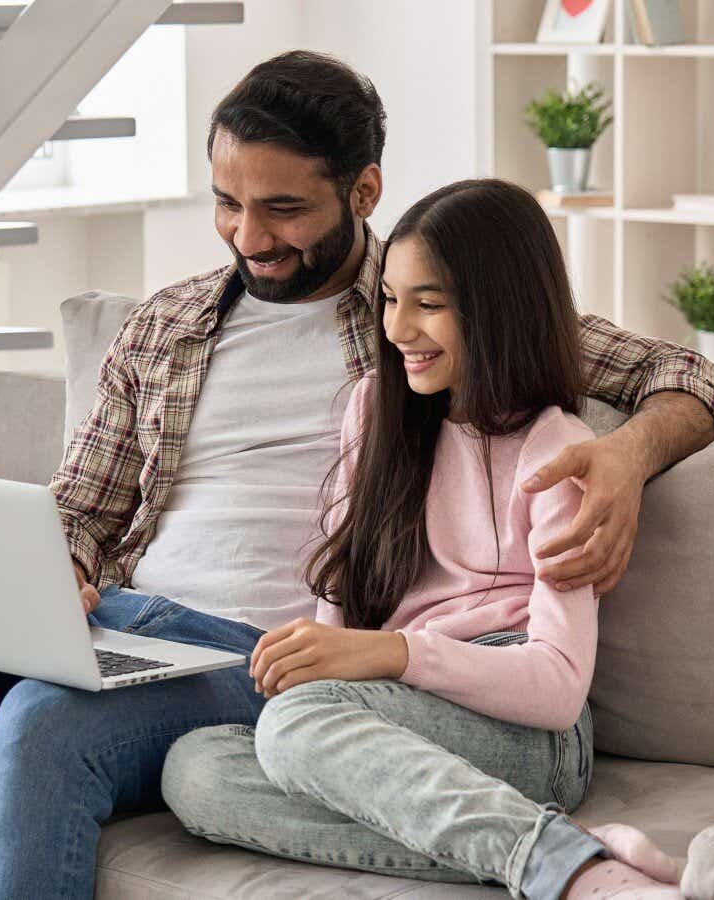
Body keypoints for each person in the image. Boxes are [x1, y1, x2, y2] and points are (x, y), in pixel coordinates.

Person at [0, 52, 714, 899]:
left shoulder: (431, 307)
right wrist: (56, 570)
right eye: (226, 202)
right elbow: (79, 508)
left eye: (283, 208)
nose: (250, 236)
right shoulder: (165, 327)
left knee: (44, 732)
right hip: (121, 624)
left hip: (262, 660)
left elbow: (689, 376)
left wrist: (623, 458)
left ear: (362, 191)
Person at [160, 178, 684, 899]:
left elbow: (559, 689)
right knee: (196, 768)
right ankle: (565, 853)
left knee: (294, 729)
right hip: (396, 705)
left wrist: (388, 655)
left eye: (428, 305)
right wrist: (329, 663)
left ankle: (567, 874)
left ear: (500, 310)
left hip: (528, 729)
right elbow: (346, 583)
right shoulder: (376, 409)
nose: (399, 328)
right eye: (391, 300)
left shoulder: (556, 449)